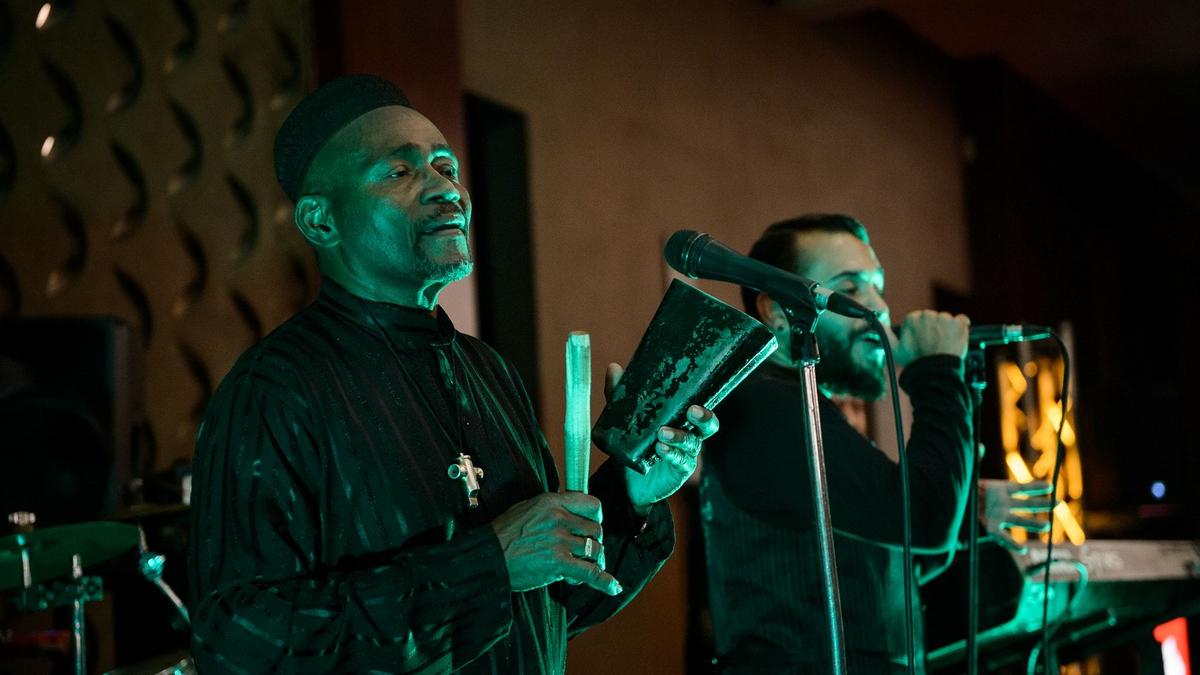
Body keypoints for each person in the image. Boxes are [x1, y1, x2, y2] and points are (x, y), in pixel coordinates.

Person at [188, 74, 718, 674]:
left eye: (446, 167)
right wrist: (487, 565)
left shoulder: (488, 371)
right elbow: (243, 641)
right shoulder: (275, 388)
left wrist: (630, 492)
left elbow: (550, 606)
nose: (447, 190)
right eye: (400, 171)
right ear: (321, 220)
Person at [700, 214, 974, 673]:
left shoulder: (798, 402)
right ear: (776, 311)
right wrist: (938, 371)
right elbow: (923, 522)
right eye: (851, 287)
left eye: (877, 287)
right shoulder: (769, 407)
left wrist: (970, 511)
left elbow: (893, 558)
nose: (879, 308)